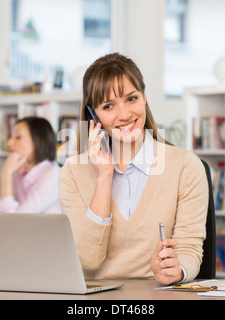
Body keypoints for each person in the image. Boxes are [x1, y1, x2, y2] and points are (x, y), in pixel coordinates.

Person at [59, 52, 208, 285]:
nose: (125, 115)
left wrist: (177, 269)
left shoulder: (185, 166)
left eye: (131, 99)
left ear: (144, 97)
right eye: (108, 106)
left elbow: (189, 249)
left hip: (158, 294)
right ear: (93, 115)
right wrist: (104, 177)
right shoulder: (72, 172)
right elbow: (87, 260)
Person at [0, 117, 61, 214]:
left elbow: (15, 222)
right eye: (10, 137)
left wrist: (6, 173)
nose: (10, 143)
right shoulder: (19, 174)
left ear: (38, 140)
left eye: (18, 137)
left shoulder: (54, 176)